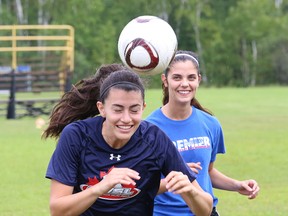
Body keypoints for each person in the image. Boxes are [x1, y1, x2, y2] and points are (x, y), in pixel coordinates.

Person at [43, 63, 213, 216]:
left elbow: (205, 210)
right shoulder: (76, 136)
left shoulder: (154, 139)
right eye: (117, 109)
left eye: (134, 110)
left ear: (143, 108)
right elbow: (58, 210)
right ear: (101, 108)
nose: (126, 119)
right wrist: (102, 186)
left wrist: (191, 191)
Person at [146, 50, 260, 216]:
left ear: (198, 80)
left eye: (191, 77)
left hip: (204, 211)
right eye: (177, 77)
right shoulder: (149, 129)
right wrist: (177, 176)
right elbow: (143, 184)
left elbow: (208, 172)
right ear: (165, 80)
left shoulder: (210, 124)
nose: (184, 84)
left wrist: (237, 185)